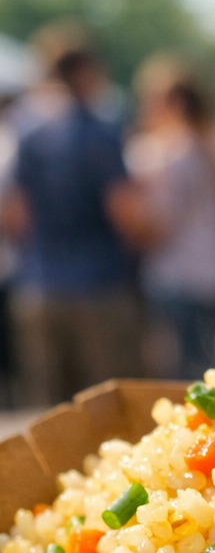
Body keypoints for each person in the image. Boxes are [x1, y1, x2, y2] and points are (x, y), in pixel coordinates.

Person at [1, 24, 143, 407]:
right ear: (86, 72)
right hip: (99, 287)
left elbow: (14, 215)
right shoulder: (101, 133)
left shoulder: (28, 134)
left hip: (40, 286)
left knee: (52, 411)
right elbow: (124, 212)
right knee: (106, 411)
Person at [127, 57, 215, 381]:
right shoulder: (209, 147)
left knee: (183, 379)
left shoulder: (170, 152)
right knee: (205, 369)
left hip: (179, 279)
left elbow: (160, 223)